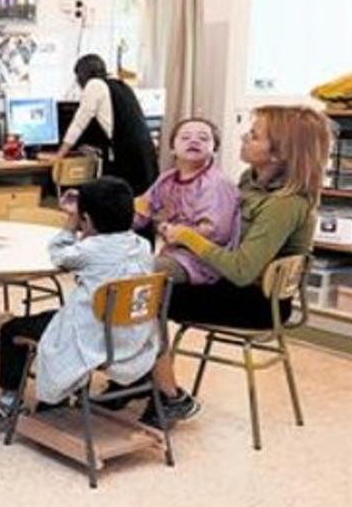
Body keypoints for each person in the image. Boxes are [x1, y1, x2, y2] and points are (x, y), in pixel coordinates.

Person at [141, 105, 332, 425]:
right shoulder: (249, 181)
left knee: (145, 293)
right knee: (145, 283)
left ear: (279, 153)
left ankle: (169, 396)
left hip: (255, 301)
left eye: (254, 135)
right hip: (229, 283)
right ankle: (143, 376)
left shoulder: (284, 204)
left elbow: (242, 270)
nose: (244, 135)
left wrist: (189, 237)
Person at [0, 178, 157, 433]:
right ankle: (64, 393)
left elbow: (58, 253)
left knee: (11, 329)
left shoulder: (89, 249)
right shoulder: (143, 245)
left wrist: (70, 222)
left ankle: (10, 402)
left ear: (86, 220)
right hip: (130, 335)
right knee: (59, 317)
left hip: (94, 338)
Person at [135, 117, 241, 285]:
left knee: (133, 270)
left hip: (203, 263)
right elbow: (142, 209)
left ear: (215, 149)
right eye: (185, 137)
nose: (194, 141)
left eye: (203, 138)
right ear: (172, 149)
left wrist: (177, 233)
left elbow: (217, 233)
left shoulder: (216, 183)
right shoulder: (167, 179)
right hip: (173, 254)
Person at [52, 53, 158, 197]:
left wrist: (59, 155)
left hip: (127, 156)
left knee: (119, 201)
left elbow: (78, 124)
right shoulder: (121, 85)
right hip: (145, 154)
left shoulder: (94, 85)